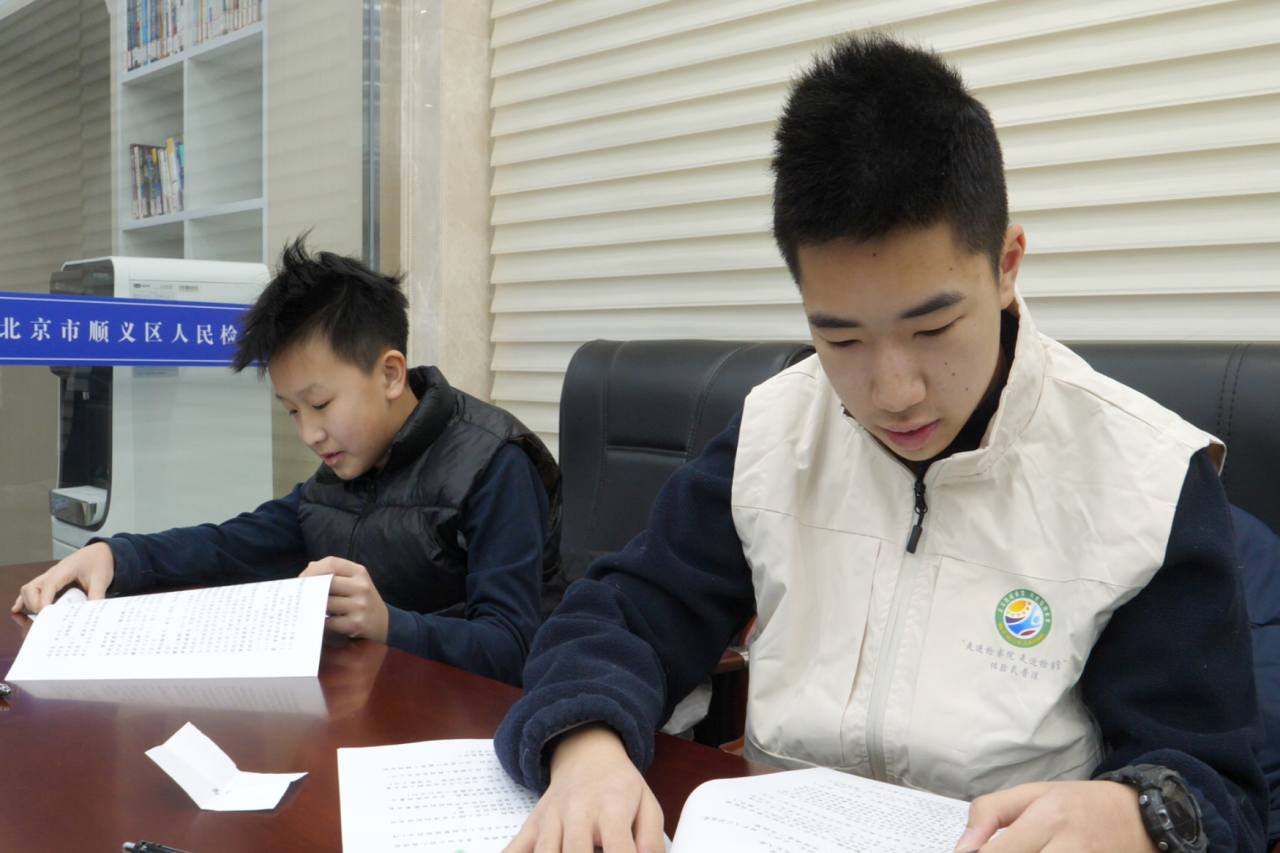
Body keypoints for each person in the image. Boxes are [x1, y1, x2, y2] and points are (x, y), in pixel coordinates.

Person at [494, 35, 1267, 853]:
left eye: (932, 328)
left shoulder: (1147, 479)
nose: (894, 392)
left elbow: (1213, 785)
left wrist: (1138, 814)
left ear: (1006, 266)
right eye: (842, 340)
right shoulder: (776, 431)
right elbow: (621, 613)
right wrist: (587, 751)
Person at [12, 239, 562, 686]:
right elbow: (230, 545)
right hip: (371, 704)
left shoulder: (494, 465)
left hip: (461, 727)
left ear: (391, 374)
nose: (309, 433)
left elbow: (514, 649)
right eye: (292, 411)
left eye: (320, 404)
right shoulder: (343, 472)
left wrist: (388, 624)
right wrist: (115, 554)